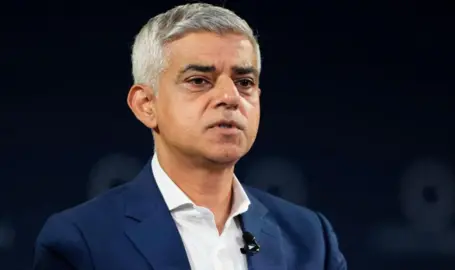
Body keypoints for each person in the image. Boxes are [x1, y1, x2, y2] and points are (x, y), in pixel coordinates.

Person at [33, 3, 347, 270]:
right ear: (146, 105)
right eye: (198, 80)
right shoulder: (80, 241)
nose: (230, 96)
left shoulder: (310, 238)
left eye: (245, 81)